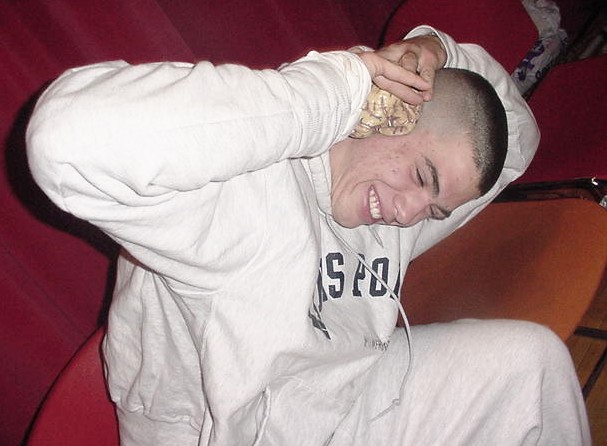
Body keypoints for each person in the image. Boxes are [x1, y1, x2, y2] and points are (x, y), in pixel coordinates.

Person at [26, 25, 590, 445]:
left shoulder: (396, 205)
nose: (409, 216)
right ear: (388, 113)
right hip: (225, 432)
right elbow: (66, 137)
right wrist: (341, 91)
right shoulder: (235, 195)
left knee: (532, 364)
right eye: (422, 177)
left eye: (436, 210)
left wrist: (433, 53)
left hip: (347, 400)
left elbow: (515, 131)